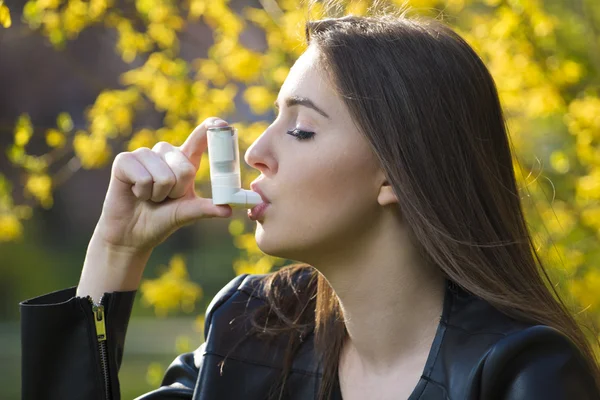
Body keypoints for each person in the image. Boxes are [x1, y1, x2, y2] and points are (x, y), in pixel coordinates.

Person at [20, 9, 600, 400]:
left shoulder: (522, 374)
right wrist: (115, 250)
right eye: (274, 118)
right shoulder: (249, 332)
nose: (258, 154)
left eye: (299, 129)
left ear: (395, 173)